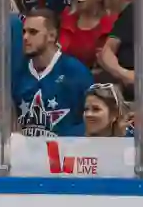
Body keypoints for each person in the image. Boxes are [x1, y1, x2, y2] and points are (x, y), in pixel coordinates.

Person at [14, 8, 93, 136]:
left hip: (67, 147)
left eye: (33, 32)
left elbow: (90, 119)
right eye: (24, 32)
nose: (25, 37)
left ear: (51, 36)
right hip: (25, 147)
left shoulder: (76, 72)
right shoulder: (18, 72)